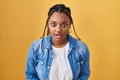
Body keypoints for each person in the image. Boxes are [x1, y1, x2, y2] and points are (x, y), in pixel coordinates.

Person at [25, 4, 90, 80]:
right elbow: (30, 75)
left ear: (70, 25)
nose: (58, 29)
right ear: (48, 25)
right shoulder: (36, 47)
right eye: (53, 24)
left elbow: (84, 75)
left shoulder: (81, 48)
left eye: (64, 25)